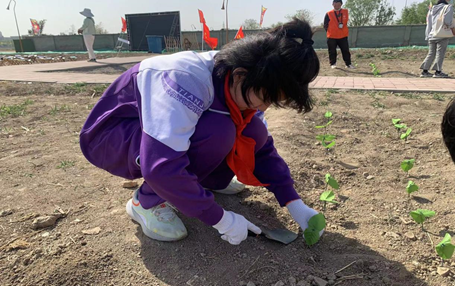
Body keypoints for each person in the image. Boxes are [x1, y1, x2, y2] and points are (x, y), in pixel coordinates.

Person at [79, 18, 323, 245]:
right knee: (219, 131)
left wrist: (294, 203)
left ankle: (200, 183)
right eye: (265, 98)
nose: (264, 107)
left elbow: (261, 148)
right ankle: (145, 201)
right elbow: (160, 165)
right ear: (240, 75)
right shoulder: (185, 79)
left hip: (153, 138)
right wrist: (221, 219)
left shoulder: (246, 81)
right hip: (113, 137)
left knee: (252, 129)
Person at [420, 0, 454, 78]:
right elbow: (447, 21)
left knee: (431, 53)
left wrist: (428, 35)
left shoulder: (432, 8)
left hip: (432, 34)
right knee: (440, 53)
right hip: (442, 34)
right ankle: (438, 72)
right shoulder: (448, 7)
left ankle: (425, 71)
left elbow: (429, 23)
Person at [323, 0, 355, 69]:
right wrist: (330, 31)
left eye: (338, 5)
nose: (337, 6)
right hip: (332, 36)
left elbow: (346, 21)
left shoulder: (345, 12)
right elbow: (325, 24)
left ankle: (348, 64)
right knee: (332, 51)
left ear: (341, 4)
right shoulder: (329, 13)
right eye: (335, 4)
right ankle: (333, 64)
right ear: (332, 4)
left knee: (345, 50)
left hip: (343, 35)